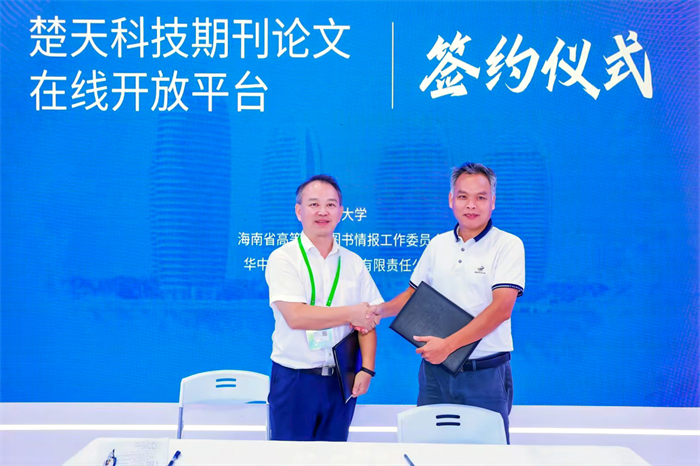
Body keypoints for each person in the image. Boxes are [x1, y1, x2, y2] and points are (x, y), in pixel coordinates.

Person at [369, 162, 524, 443]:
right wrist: (379, 311)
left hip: (484, 373)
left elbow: (502, 309)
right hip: (435, 373)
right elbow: (413, 295)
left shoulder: (508, 245)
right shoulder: (437, 244)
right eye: (463, 196)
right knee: (429, 452)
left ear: (493, 202)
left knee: (487, 458)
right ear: (451, 199)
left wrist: (448, 346)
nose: (471, 205)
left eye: (480, 197)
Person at [265, 174, 382, 441]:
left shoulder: (353, 262)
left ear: (341, 212)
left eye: (330, 205)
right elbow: (296, 317)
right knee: (290, 457)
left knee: (334, 456)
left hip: (341, 381)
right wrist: (351, 313)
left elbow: (369, 320)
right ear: (299, 211)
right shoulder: (283, 258)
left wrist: (367, 368)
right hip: (294, 379)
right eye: (314, 204)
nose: (322, 211)